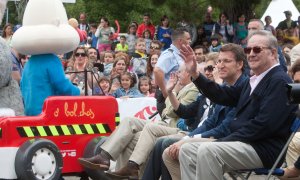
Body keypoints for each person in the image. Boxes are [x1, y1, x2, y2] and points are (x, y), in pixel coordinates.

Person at [177, 30, 297, 180]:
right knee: (187, 150)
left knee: (208, 151)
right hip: (243, 143)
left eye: (257, 49)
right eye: (248, 49)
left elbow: (264, 125)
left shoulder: (279, 81)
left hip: (262, 149)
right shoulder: (254, 80)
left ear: (273, 53)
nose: (251, 53)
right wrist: (195, 73)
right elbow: (222, 95)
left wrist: (224, 140)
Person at [77, 64, 199, 177]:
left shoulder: (193, 89)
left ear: (188, 73)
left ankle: (131, 168)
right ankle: (105, 157)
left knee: (142, 134)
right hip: (164, 123)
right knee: (129, 123)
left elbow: (175, 111)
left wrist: (172, 92)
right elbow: (167, 109)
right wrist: (174, 92)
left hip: (176, 127)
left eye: (180, 72)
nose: (177, 74)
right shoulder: (180, 88)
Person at [162, 43, 248, 180]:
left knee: (178, 147)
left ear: (239, 65)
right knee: (168, 150)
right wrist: (187, 138)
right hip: (208, 135)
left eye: (226, 61)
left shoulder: (243, 87)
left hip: (230, 141)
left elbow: (224, 129)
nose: (219, 66)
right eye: (219, 61)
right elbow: (200, 118)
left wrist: (189, 139)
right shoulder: (221, 89)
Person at [154, 28, 191, 115]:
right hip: (168, 97)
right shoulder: (169, 54)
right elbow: (157, 71)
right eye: (188, 39)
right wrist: (165, 92)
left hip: (177, 95)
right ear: (181, 41)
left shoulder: (179, 53)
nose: (190, 41)